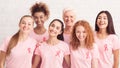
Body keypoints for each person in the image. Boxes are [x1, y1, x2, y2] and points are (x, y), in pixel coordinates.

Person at [30, 2, 50, 68]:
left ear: (46, 17)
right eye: (36, 17)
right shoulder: (29, 33)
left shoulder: (49, 34)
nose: (38, 20)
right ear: (33, 18)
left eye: (41, 17)